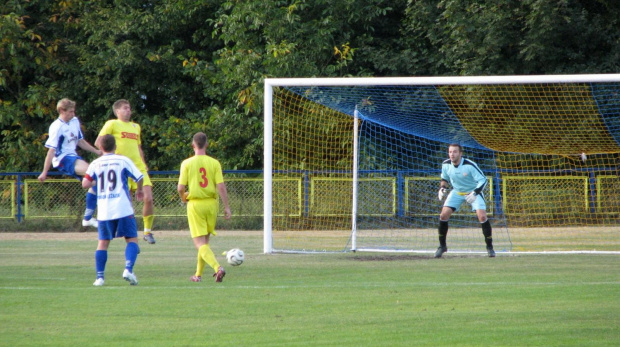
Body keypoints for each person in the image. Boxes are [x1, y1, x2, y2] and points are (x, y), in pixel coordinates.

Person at [83, 134, 144, 286]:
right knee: (131, 239)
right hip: (123, 207)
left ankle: (99, 278)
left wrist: (98, 183)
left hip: (104, 210)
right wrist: (139, 191)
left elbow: (85, 183)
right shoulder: (122, 160)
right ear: (115, 147)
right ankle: (128, 269)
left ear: (101, 148)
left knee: (103, 243)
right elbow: (139, 177)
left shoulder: (96, 164)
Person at [95, 99, 156, 244]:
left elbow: (138, 147)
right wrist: (110, 158)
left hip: (138, 167)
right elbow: (99, 142)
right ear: (117, 111)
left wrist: (144, 163)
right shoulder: (112, 124)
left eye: (129, 108)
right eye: (125, 108)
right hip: (121, 168)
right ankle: (131, 236)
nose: (128, 110)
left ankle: (147, 231)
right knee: (127, 204)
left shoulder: (136, 126)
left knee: (148, 198)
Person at [38, 98, 102, 228]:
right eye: (71, 111)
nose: (73, 114)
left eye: (74, 111)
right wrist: (44, 172)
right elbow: (51, 151)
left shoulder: (74, 121)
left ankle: (88, 219)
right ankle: (96, 217)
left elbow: (80, 141)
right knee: (93, 172)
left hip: (73, 157)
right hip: (63, 159)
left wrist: (97, 152)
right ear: (62, 111)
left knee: (96, 182)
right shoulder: (56, 127)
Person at [177, 132, 231, 283]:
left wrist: (183, 198)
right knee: (204, 244)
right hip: (212, 204)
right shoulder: (214, 163)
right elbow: (220, 186)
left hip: (195, 204)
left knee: (199, 244)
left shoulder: (187, 163)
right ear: (206, 144)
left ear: (193, 145)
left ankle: (217, 267)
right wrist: (227, 207)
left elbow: (180, 187)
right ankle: (198, 275)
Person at [436, 144, 495, 258]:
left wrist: (475, 193)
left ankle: (490, 248)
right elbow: (445, 178)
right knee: (443, 215)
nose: (452, 154)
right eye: (450, 152)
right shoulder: (446, 164)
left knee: (482, 217)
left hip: (473, 192)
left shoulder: (470, 165)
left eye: (455, 152)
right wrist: (442, 188)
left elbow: (483, 180)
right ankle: (442, 246)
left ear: (460, 153)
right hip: (457, 192)